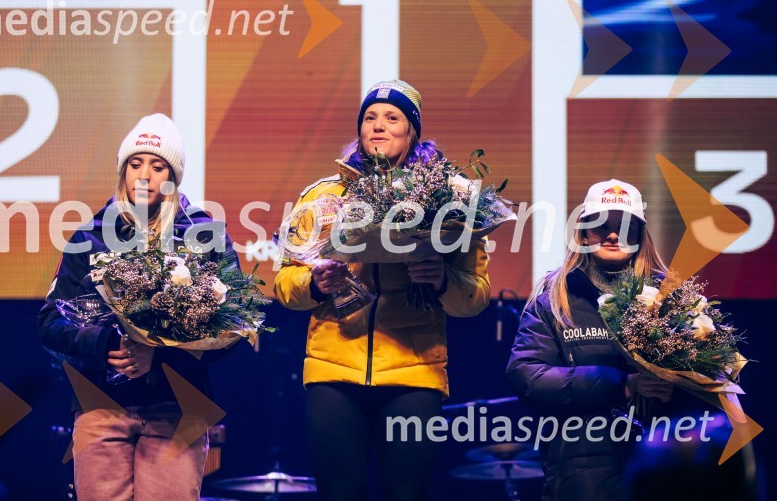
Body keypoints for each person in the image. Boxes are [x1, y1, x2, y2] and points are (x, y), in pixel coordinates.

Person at [273, 80, 492, 501]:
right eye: (369, 118)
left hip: (415, 375)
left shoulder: (450, 200)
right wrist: (315, 284)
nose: (378, 126)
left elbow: (476, 296)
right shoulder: (324, 197)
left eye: (393, 118)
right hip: (333, 373)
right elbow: (285, 283)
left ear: (412, 132)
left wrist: (441, 280)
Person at [37, 114, 238, 501]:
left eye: (158, 165)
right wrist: (106, 345)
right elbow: (50, 323)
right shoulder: (89, 235)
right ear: (123, 171)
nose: (144, 174)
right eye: (135, 163)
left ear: (173, 176)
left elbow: (234, 326)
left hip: (178, 409)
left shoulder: (204, 235)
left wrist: (158, 353)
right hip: (100, 408)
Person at [506, 179, 679, 501]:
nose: (613, 235)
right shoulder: (554, 297)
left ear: (640, 236)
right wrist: (621, 385)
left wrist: (676, 386)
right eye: (601, 225)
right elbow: (526, 374)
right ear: (583, 232)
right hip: (581, 467)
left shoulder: (670, 298)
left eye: (626, 226)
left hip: (663, 461)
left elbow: (710, 383)